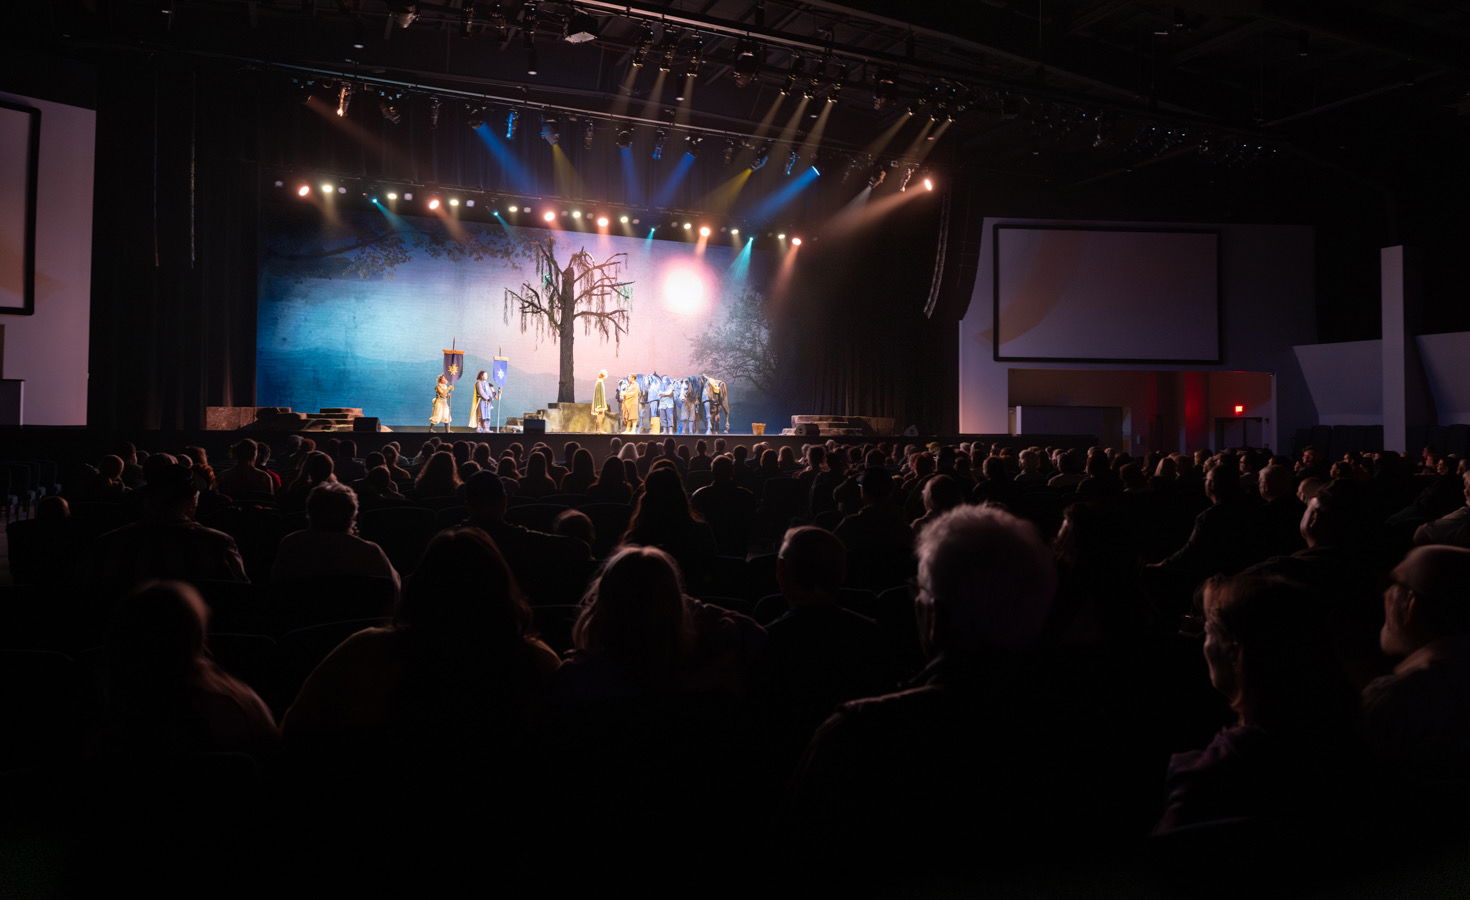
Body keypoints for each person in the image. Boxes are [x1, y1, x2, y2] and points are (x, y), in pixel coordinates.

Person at [469, 369, 497, 434]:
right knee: (481, 415)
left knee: (487, 415)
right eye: (485, 375)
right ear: (481, 375)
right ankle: (479, 428)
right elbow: (481, 391)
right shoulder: (478, 383)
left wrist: (491, 397)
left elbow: (490, 392)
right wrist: (487, 398)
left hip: (487, 403)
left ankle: (486, 428)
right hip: (481, 401)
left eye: (487, 375)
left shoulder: (487, 383)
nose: (487, 376)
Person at [592, 369, 610, 434]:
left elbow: (600, 394)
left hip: (600, 402)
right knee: (600, 416)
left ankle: (599, 429)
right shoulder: (599, 382)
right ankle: (599, 429)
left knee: (600, 416)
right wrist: (600, 404)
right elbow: (599, 394)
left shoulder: (599, 381)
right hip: (600, 402)